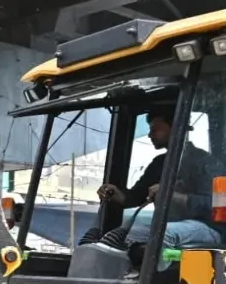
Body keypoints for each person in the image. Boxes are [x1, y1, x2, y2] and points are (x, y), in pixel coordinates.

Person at [96, 106, 226, 261]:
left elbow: (215, 205)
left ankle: (153, 281)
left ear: (177, 128)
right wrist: (117, 195)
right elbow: (136, 197)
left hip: (209, 228)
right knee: (124, 236)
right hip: (172, 226)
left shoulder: (204, 162)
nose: (150, 135)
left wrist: (171, 195)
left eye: (155, 129)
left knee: (159, 234)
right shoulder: (159, 164)